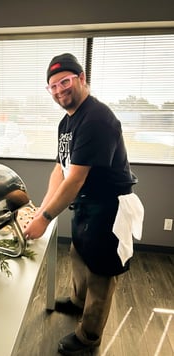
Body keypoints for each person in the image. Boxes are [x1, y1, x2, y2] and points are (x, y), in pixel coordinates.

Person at [24, 53, 143, 355]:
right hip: (86, 206)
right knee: (79, 256)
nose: (59, 90)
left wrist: (46, 218)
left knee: (100, 274)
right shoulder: (67, 122)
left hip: (109, 208)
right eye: (52, 86)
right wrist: (42, 207)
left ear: (81, 78)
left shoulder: (97, 119)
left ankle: (89, 337)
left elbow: (75, 179)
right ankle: (78, 303)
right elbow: (60, 169)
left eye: (65, 81)